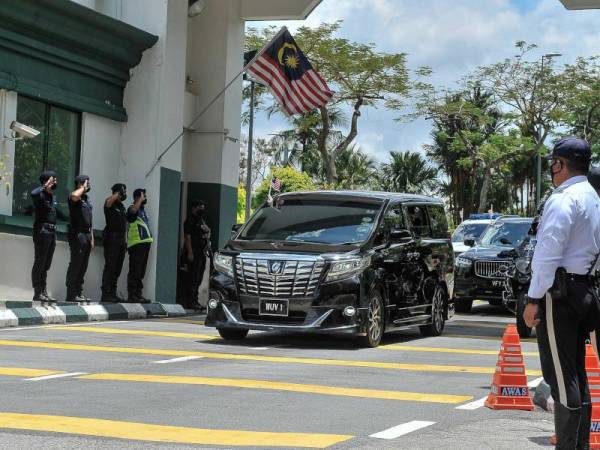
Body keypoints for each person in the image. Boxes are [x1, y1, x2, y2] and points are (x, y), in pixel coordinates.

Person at [524, 137, 600, 449]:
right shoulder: (593, 197)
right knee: (578, 375)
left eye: (554, 163)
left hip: (560, 294)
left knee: (561, 376)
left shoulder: (562, 198)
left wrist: (532, 299)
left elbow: (548, 253)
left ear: (560, 164)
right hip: (585, 290)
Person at [31, 170, 58, 302]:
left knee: (46, 265)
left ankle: (44, 292)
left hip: (52, 233)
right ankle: (37, 292)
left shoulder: (52, 197)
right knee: (40, 263)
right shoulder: (40, 195)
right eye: (53, 181)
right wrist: (45, 185)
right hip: (42, 231)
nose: (55, 183)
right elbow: (33, 193)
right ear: (46, 181)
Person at [65, 175, 94, 302]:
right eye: (86, 182)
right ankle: (71, 294)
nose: (88, 185)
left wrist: (92, 238)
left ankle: (79, 292)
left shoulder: (87, 200)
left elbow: (89, 221)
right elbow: (75, 196)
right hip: (78, 235)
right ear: (79, 184)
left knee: (83, 266)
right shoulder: (74, 196)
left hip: (87, 235)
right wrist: (82, 187)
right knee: (76, 265)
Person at [101, 183, 128, 303]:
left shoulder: (122, 207)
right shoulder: (110, 203)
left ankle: (113, 292)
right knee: (110, 267)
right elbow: (108, 202)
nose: (124, 194)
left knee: (117, 268)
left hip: (121, 240)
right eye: (122, 191)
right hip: (112, 239)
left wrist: (125, 241)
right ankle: (106, 294)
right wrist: (117, 193)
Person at [182, 200, 211, 309]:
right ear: (193, 208)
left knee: (199, 277)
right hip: (193, 251)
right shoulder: (190, 221)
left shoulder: (201, 220)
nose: (202, 210)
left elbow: (208, 231)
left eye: (203, 207)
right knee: (193, 278)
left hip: (201, 252)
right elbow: (187, 237)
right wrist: (190, 252)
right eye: (200, 207)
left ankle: (195, 300)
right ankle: (191, 301)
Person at [127, 188, 153, 303]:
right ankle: (132, 294)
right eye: (144, 195)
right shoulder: (132, 208)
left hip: (144, 244)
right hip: (136, 244)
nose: (145, 198)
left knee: (140, 272)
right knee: (135, 271)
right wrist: (139, 200)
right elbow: (132, 213)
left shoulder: (142, 210)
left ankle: (138, 294)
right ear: (138, 197)